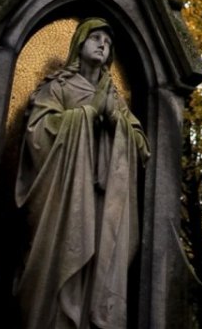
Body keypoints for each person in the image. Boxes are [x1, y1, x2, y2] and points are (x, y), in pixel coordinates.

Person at [14, 18, 150, 329]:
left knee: (100, 268)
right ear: (79, 43)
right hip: (63, 202)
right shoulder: (57, 88)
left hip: (103, 204)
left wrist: (117, 123)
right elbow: (37, 134)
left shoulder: (115, 98)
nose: (104, 44)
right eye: (97, 37)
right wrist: (87, 116)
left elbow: (142, 147)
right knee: (61, 261)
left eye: (108, 41)